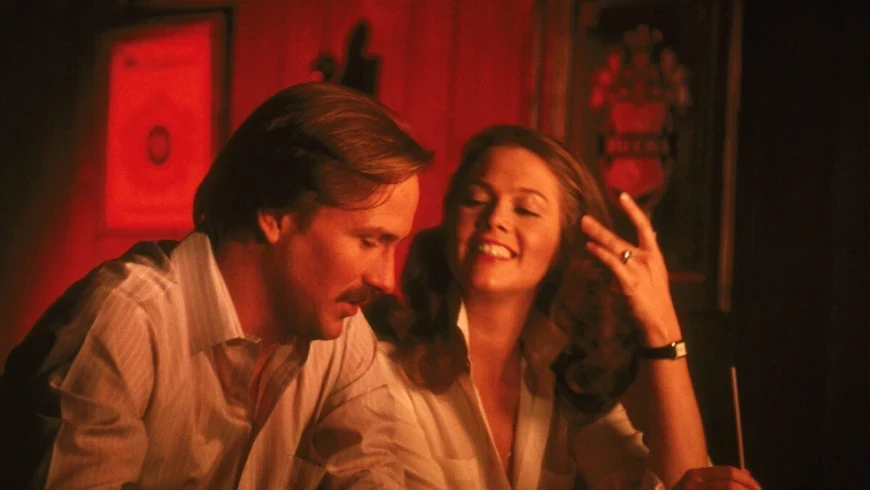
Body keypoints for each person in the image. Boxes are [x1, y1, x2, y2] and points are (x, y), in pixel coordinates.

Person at [0, 82, 432, 489]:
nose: (385, 279)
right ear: (275, 214)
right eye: (369, 241)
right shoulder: (123, 325)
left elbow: (370, 473)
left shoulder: (344, 338)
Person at [366, 125, 760, 489]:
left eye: (526, 209)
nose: (495, 218)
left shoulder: (564, 378)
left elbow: (683, 482)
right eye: (476, 200)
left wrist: (663, 328)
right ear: (450, 220)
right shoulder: (382, 368)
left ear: (563, 245)